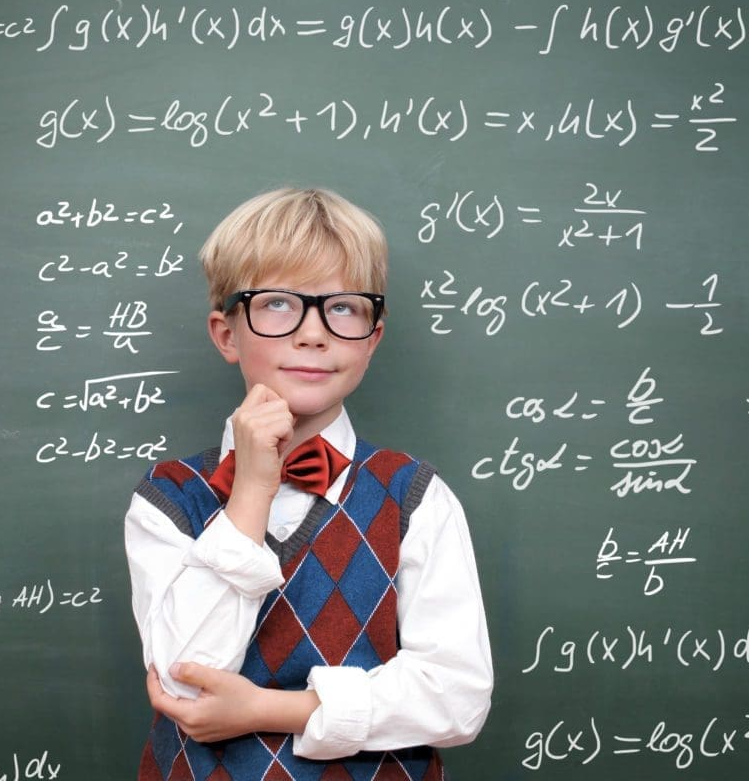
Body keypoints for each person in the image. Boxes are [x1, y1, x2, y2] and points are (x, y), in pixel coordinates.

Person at [125, 187, 492, 780]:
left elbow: (455, 699)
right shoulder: (169, 497)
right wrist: (249, 495)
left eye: (343, 307)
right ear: (226, 333)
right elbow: (183, 681)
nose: (313, 333)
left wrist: (269, 710)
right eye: (277, 303)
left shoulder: (414, 496)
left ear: (373, 337)